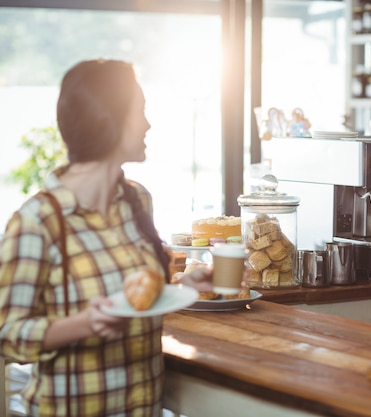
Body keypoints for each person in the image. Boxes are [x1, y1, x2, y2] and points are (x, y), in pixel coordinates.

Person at [0, 59, 214, 417]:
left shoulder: (137, 200)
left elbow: (140, 296)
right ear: (109, 119)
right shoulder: (38, 221)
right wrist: (84, 325)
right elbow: (8, 335)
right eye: (140, 111)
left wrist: (188, 284)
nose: (148, 123)